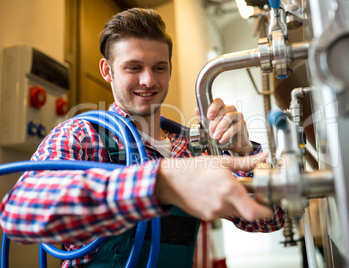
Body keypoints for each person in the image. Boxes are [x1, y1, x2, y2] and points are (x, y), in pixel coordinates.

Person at [0, 8, 284, 267]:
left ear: (170, 70)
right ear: (107, 71)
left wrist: (243, 152)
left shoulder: (191, 148)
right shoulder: (83, 135)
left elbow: (270, 219)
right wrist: (159, 182)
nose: (148, 80)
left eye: (159, 67)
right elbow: (18, 213)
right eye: (133, 67)